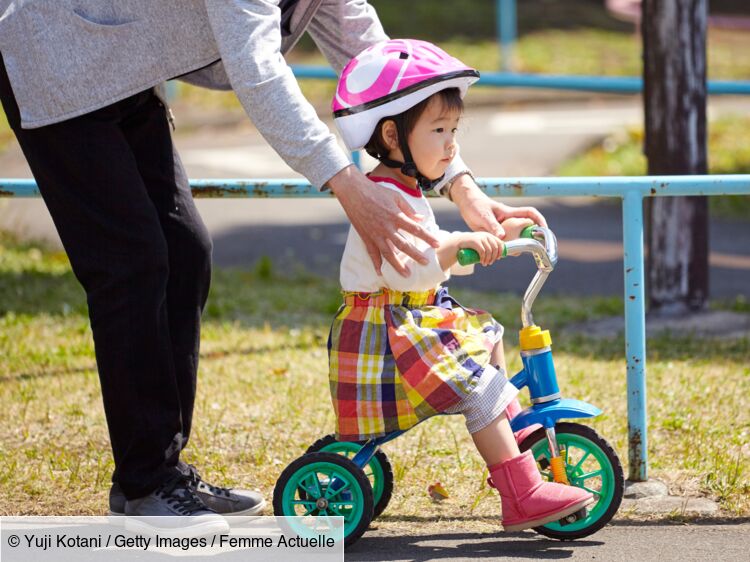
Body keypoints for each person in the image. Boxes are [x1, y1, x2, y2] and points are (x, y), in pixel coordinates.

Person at [0, 0, 545, 525]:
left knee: (187, 252)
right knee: (132, 264)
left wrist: (462, 185)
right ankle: (147, 483)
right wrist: (347, 183)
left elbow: (384, 64)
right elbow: (256, 71)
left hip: (122, 69)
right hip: (55, 57)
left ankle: (163, 474)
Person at [328, 39, 592, 531]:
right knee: (481, 384)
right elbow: (408, 268)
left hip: (412, 318)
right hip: (387, 329)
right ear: (391, 136)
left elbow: (436, 247)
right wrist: (456, 246)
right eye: (440, 130)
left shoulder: (400, 188)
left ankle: (512, 437)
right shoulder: (383, 198)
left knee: (486, 338)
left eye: (454, 130)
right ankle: (521, 491)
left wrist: (499, 233)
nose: (451, 146)